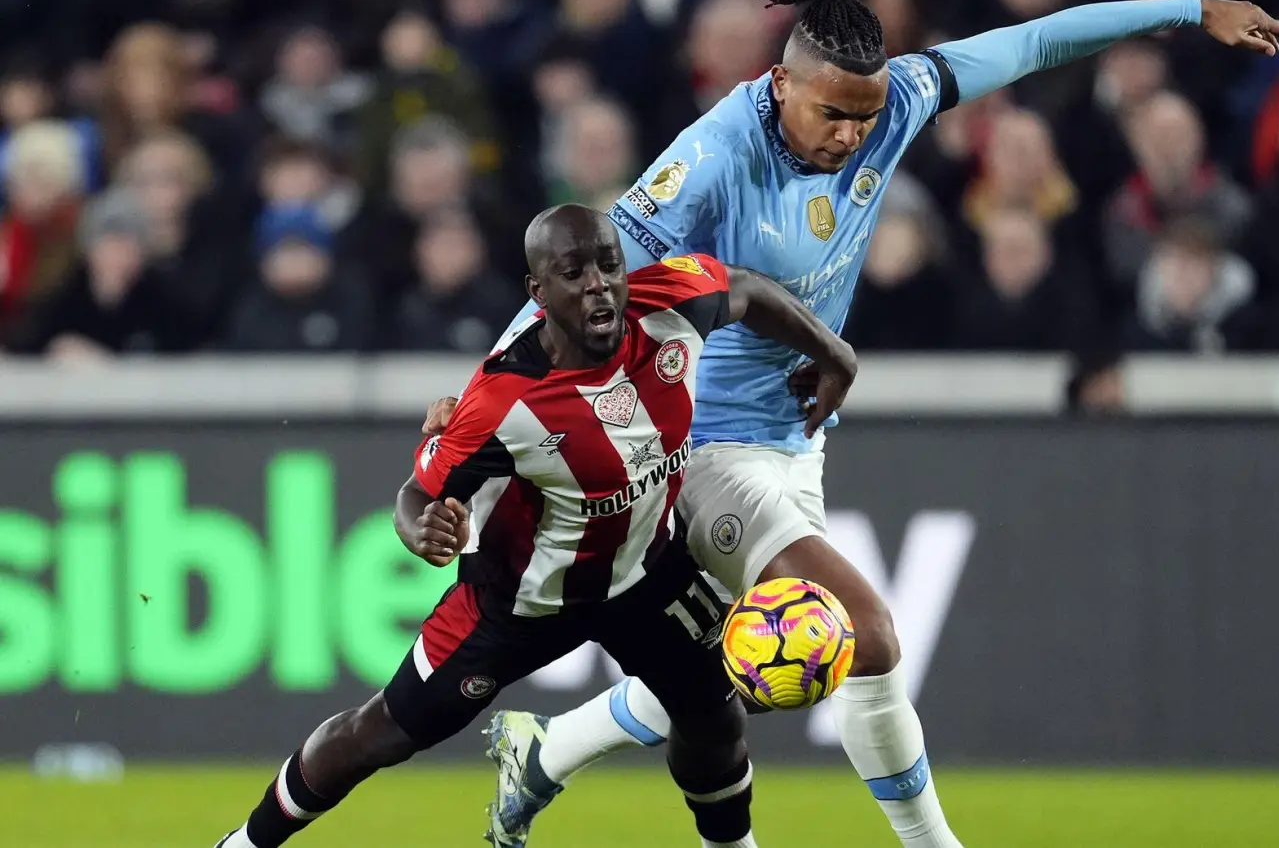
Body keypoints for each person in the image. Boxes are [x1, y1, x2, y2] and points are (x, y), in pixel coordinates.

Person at [428, 0, 1279, 848]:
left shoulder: (900, 103)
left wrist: (1194, 8)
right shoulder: (714, 154)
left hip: (794, 438)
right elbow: (569, 284)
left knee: (728, 664)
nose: (852, 134)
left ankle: (546, 752)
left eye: (865, 114)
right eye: (832, 113)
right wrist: (475, 406)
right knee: (866, 635)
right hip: (703, 447)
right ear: (779, 84)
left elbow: (1035, 41)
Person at [213, 204, 858, 848]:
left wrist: (833, 353)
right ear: (538, 292)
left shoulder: (676, 305)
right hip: (518, 605)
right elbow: (419, 494)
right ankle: (243, 843)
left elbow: (743, 288)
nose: (599, 284)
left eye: (609, 264)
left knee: (714, 720)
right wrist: (419, 530)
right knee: (380, 732)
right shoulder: (501, 398)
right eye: (573, 273)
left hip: (645, 576)